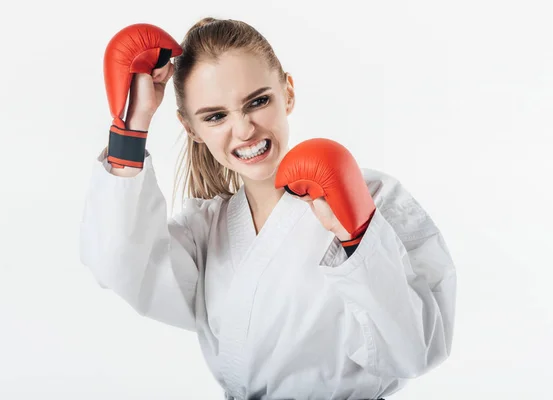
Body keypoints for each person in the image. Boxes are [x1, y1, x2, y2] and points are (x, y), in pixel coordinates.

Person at [80, 17, 457, 400]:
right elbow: (118, 264)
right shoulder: (204, 231)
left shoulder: (372, 197)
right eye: (215, 116)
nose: (244, 129)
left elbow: (415, 352)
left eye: (258, 101)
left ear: (288, 93)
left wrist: (357, 236)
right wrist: (131, 125)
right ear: (191, 128)